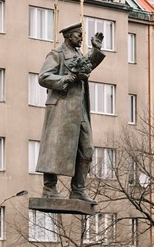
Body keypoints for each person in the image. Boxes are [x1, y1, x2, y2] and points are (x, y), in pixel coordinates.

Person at [36, 22, 105, 204]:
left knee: (87, 149)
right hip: (62, 107)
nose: (81, 37)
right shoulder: (57, 54)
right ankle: (49, 188)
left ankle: (78, 190)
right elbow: (43, 77)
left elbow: (85, 66)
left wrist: (95, 50)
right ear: (68, 36)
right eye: (78, 34)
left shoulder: (78, 55)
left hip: (79, 109)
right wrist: (67, 78)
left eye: (82, 35)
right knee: (54, 148)